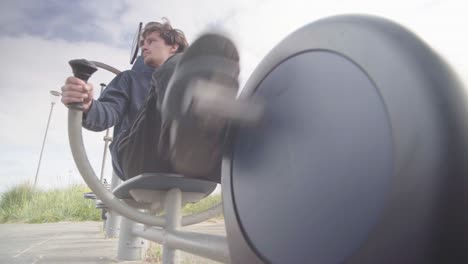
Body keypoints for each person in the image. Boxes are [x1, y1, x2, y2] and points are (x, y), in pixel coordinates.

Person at [61, 19, 239, 183]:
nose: (144, 47)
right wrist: (88, 105)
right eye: (142, 44)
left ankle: (217, 153)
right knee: (177, 68)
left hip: (194, 160)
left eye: (151, 41)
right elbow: (107, 113)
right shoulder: (129, 79)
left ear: (174, 46)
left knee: (213, 53)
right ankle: (193, 144)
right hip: (139, 157)